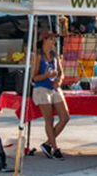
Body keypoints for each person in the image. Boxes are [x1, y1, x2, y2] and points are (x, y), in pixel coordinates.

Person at [32, 32, 70, 160]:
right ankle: (55, 148)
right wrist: (47, 76)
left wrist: (59, 81)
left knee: (65, 117)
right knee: (49, 119)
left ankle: (48, 144)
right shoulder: (38, 56)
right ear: (44, 40)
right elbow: (34, 77)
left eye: (54, 39)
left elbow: (61, 73)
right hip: (41, 87)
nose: (54, 41)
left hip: (54, 87)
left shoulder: (55, 55)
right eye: (52, 39)